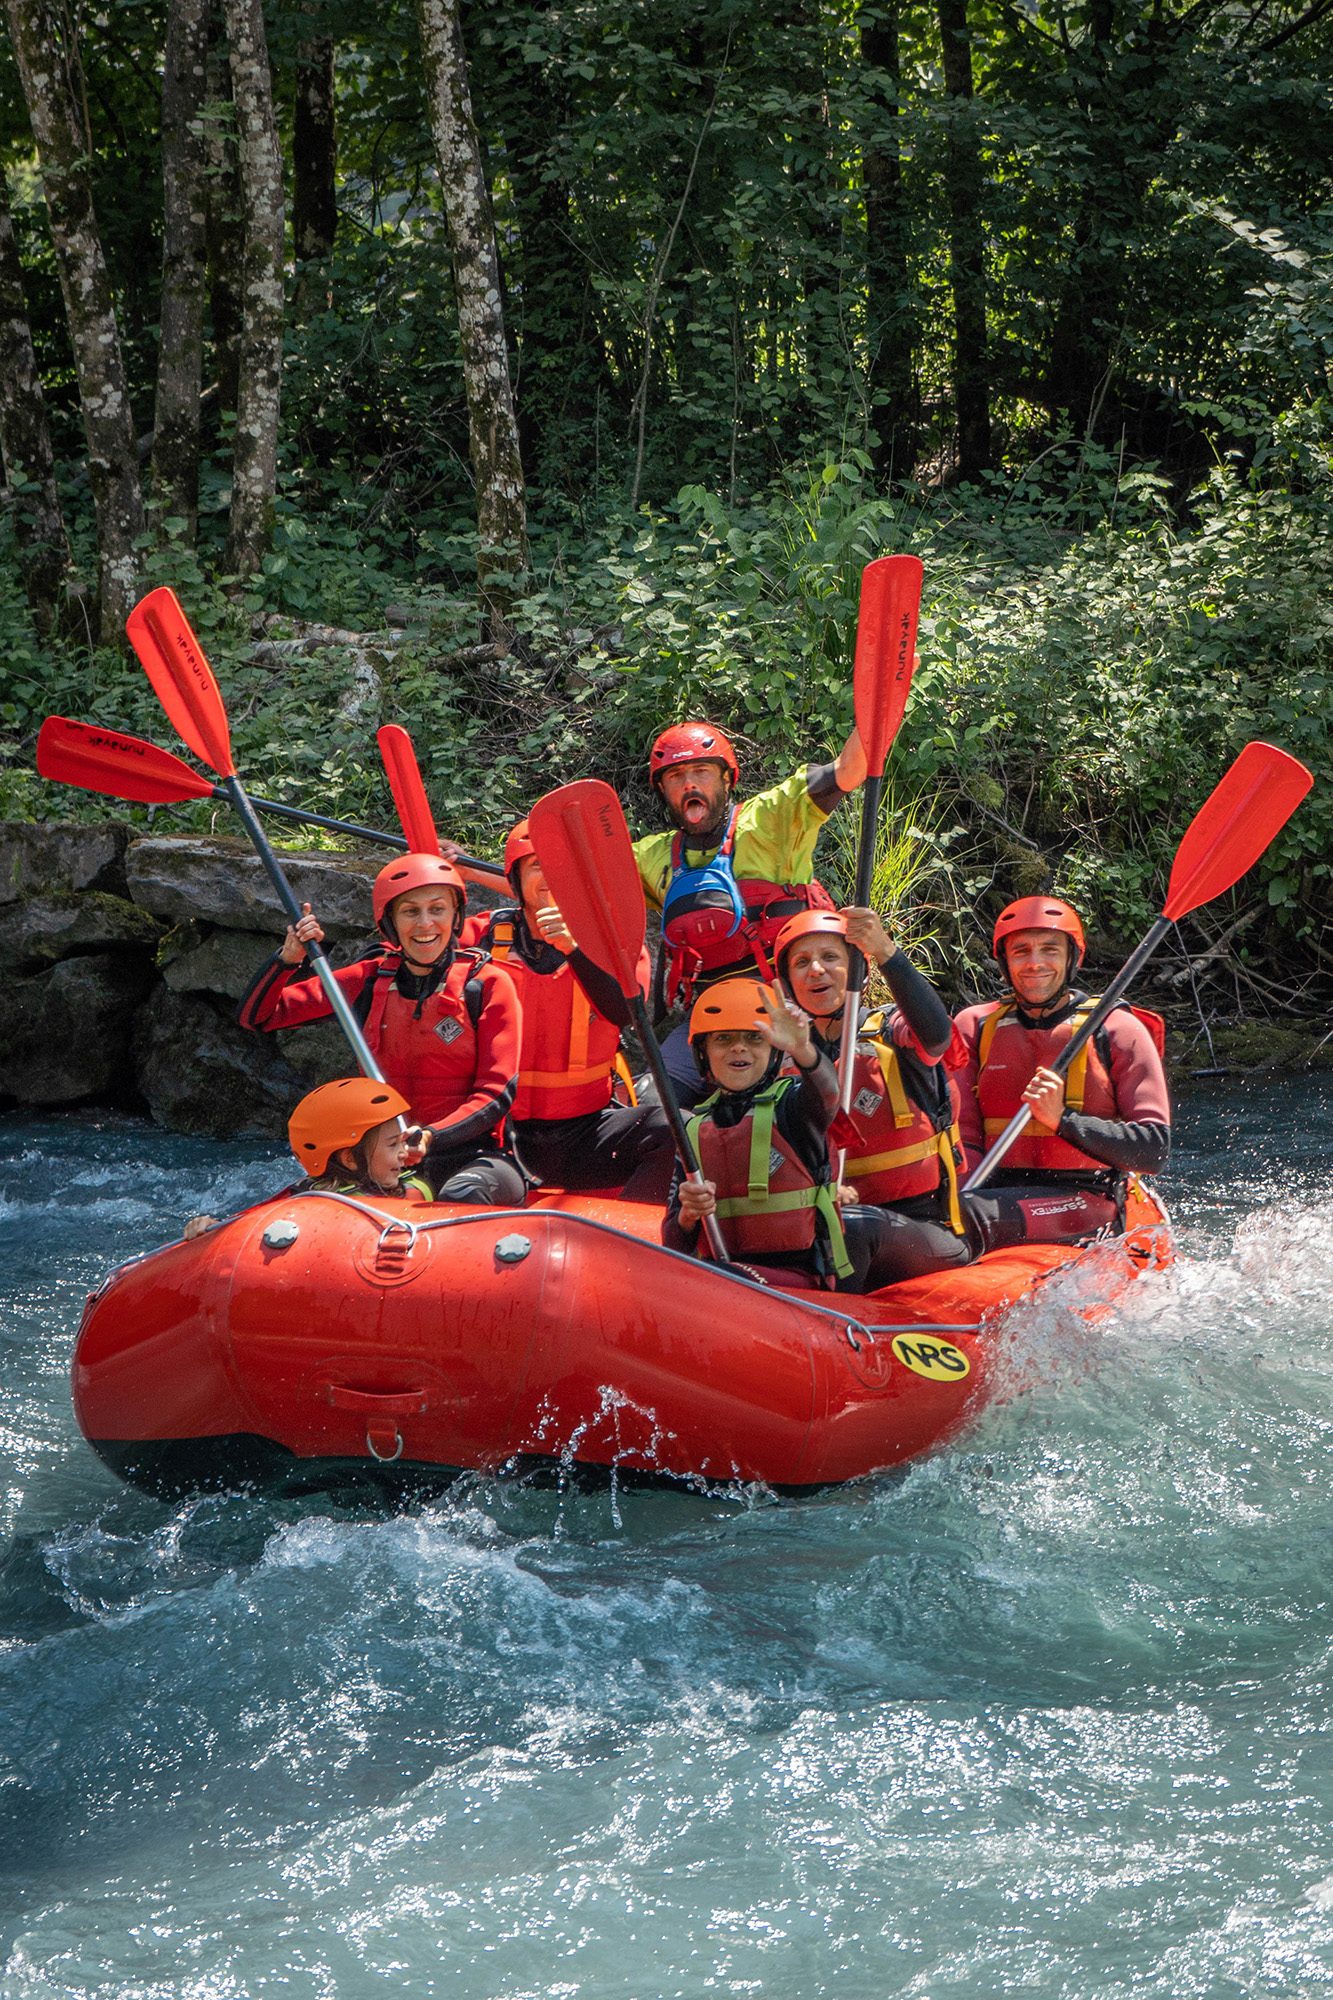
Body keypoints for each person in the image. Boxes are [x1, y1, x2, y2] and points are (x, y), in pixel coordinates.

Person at [238, 853, 526, 1204]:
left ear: (455, 917)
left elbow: (497, 1093)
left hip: (471, 1157)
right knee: (305, 1204)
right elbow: (258, 1016)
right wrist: (288, 959)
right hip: (383, 1161)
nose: (425, 924)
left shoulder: (487, 984)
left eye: (437, 909)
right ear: (390, 923)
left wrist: (432, 1136)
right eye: (410, 912)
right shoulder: (369, 979)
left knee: (461, 1194)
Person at [633, 719, 871, 1104]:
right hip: (713, 1020)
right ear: (662, 789)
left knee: (794, 1110)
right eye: (676, 777)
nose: (690, 785)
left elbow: (848, 770)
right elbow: (557, 887)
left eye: (701, 771)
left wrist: (874, 717)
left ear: (727, 779)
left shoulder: (770, 819)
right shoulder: (650, 857)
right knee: (652, 1106)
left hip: (788, 1010)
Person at [662, 977, 924, 1293]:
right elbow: (674, 1244)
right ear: (702, 1053)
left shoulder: (795, 1109)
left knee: (717, 1277)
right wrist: (688, 1215)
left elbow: (828, 1093)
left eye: (754, 1038)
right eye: (723, 1039)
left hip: (804, 1281)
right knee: (688, 1276)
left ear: (774, 1051)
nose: (739, 1047)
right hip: (730, 1273)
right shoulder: (692, 1130)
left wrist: (803, 1049)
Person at [459, 820, 674, 1198]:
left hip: (586, 1131)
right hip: (501, 1132)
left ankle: (635, 1244)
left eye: (563, 867)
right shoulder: (480, 937)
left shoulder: (616, 942)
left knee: (673, 1129)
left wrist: (573, 948)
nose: (552, 877)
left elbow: (627, 1013)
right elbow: (420, 951)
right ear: (515, 881)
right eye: (537, 866)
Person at [954, 896, 1170, 1251]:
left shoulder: (1116, 1028)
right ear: (1004, 962)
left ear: (1072, 958)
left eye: (1050, 950)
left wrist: (1063, 1120)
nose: (1035, 963)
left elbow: (1154, 1150)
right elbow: (963, 1136)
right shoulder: (975, 1026)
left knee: (966, 1214)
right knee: (940, 1213)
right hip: (991, 1192)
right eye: (1021, 951)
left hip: (1083, 1199)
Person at [774, 907, 973, 1280]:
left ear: (858, 973)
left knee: (851, 1228)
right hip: (829, 1225)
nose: (816, 969)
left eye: (830, 957)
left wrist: (883, 950)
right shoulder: (783, 1058)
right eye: (802, 962)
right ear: (788, 983)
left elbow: (935, 1036)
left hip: (924, 1229)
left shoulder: (892, 1031)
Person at [287, 1077, 433, 1200]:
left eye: (402, 1141)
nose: (405, 1154)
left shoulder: (410, 1190)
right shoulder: (326, 1209)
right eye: (393, 1144)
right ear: (350, 1159)